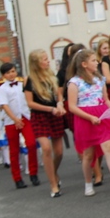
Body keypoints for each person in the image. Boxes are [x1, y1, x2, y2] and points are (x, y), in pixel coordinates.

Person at [66, 49, 110, 196]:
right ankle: (88, 183)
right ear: (84, 64)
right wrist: (89, 117)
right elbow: (72, 106)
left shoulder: (100, 80)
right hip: (85, 118)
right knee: (88, 154)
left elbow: (106, 99)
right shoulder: (74, 83)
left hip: (102, 115)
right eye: (93, 60)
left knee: (109, 146)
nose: (97, 63)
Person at [24, 49, 66, 198]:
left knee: (59, 152)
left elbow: (59, 94)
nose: (48, 61)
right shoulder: (29, 80)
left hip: (55, 115)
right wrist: (50, 109)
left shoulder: (52, 76)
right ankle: (53, 184)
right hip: (39, 116)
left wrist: (60, 104)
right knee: (46, 148)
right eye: (44, 59)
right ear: (36, 63)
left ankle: (53, 172)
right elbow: (30, 103)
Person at [0, 62, 40, 189]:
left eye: (13, 71)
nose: (11, 74)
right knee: (14, 150)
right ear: (3, 75)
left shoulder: (22, 84)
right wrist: (14, 119)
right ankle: (17, 178)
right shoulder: (2, 89)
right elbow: (4, 105)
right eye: (8, 73)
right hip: (11, 121)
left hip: (25, 117)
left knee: (31, 144)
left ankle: (33, 173)